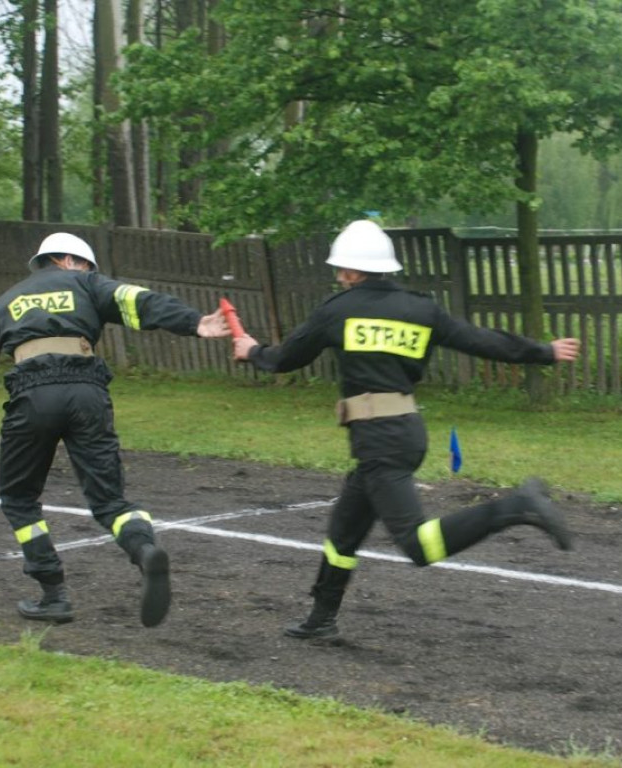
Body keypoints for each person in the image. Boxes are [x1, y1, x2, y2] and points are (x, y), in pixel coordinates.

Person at [232, 219, 582, 639]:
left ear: (350, 271)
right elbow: (481, 340)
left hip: (380, 441)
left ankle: (515, 507)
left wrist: (252, 351)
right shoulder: (421, 310)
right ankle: (321, 617)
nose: (340, 277)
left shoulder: (336, 311)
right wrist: (542, 351)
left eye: (341, 270)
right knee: (344, 530)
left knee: (419, 546)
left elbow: (286, 358)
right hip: (402, 432)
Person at [0, 232, 230, 627]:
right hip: (86, 391)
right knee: (110, 502)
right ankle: (145, 550)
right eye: (88, 265)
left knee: (19, 498)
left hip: (32, 393)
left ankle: (53, 594)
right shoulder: (86, 284)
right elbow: (137, 301)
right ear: (70, 260)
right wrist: (195, 323)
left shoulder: (5, 302)